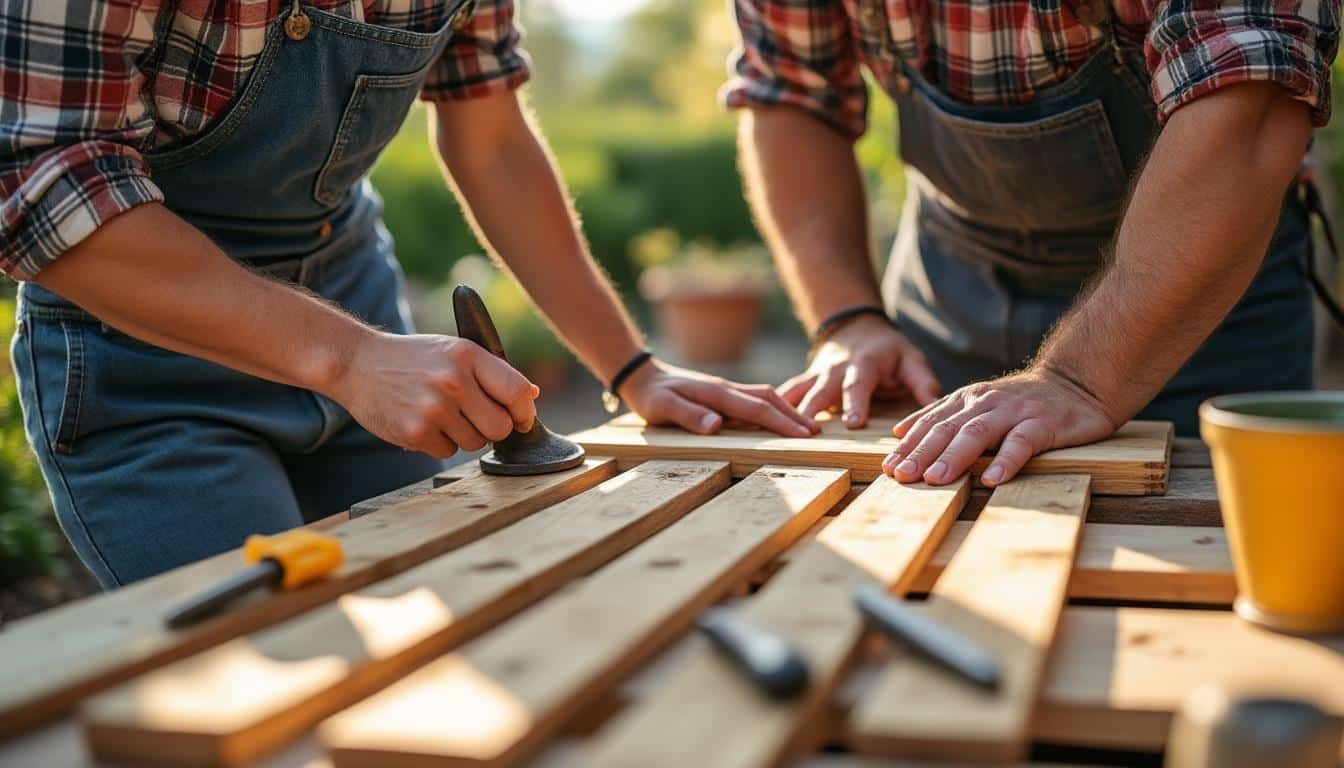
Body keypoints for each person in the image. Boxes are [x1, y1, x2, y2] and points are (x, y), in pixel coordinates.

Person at [0, 0, 817, 588]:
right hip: (147, 363)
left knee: (469, 617)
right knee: (272, 675)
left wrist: (635, 370)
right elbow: (42, 182)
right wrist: (350, 358)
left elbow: (492, 142)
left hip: (351, 301)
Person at [728, 0, 1340, 487]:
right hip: (946, 300)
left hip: (1201, 313)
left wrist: (1080, 380)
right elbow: (791, 95)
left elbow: (1251, 105)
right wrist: (848, 319)